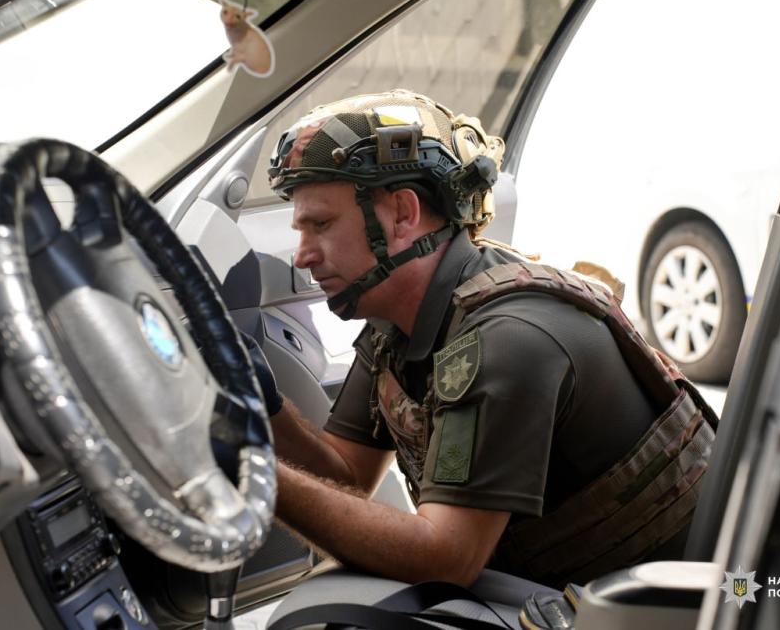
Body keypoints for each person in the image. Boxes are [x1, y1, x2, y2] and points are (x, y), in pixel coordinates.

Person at [256, 89, 717, 590]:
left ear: (403, 214)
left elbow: (445, 559)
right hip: (563, 597)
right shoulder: (398, 324)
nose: (302, 255)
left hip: (687, 608)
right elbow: (344, 476)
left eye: (321, 225)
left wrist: (251, 473)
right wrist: (257, 405)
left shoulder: (508, 339)